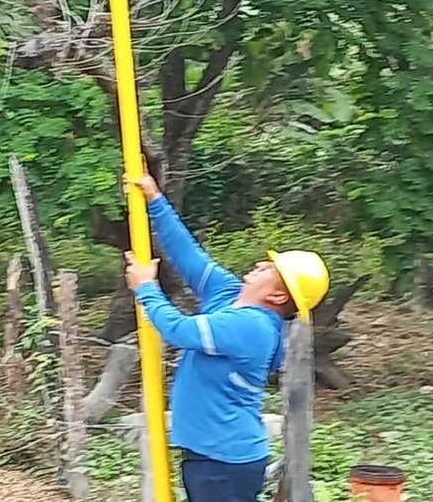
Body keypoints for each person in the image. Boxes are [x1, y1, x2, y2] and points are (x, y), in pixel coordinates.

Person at [123, 172, 330, 502]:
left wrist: (146, 288)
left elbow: (179, 331)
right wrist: (154, 200)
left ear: (277, 296)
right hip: (211, 456)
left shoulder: (254, 327)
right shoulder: (230, 294)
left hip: (224, 462)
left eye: (270, 269)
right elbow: (188, 255)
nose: (261, 263)